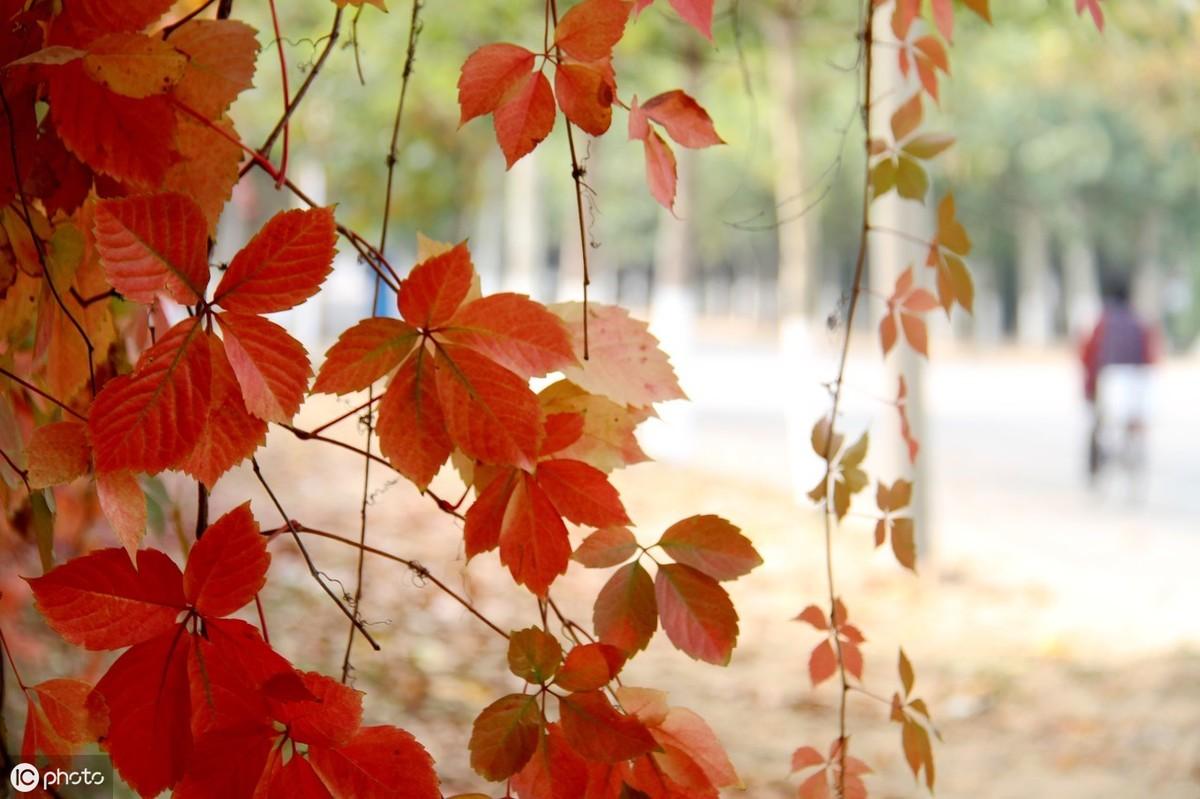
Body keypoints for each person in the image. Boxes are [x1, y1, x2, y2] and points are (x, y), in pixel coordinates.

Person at [1079, 278, 1158, 486]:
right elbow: (1151, 356)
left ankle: (1100, 464)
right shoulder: (1140, 321)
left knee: (1101, 423)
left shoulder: (1103, 322)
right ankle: (1133, 452)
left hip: (1111, 379)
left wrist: (1088, 389)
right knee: (1134, 422)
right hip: (1139, 381)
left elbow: (1089, 356)